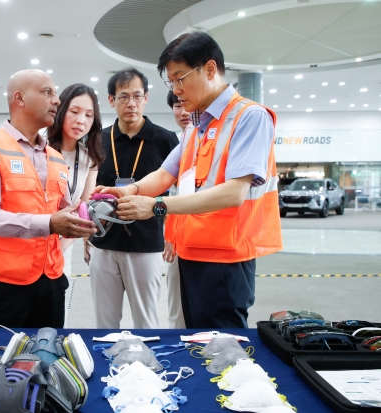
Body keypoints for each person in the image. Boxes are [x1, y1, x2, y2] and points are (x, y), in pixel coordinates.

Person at [101, 32, 282, 329]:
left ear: (210, 70)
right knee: (194, 343)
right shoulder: (194, 129)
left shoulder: (249, 117)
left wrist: (156, 207)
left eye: (180, 79)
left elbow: (235, 192)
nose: (176, 90)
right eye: (171, 82)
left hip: (226, 260)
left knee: (222, 350)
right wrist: (126, 191)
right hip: (190, 254)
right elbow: (164, 174)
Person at [0, 69, 97, 328]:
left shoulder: (54, 157)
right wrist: (49, 223)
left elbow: (64, 211)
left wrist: (95, 210)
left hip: (51, 282)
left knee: (48, 358)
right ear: (19, 99)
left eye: (56, 93)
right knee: (3, 362)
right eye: (47, 92)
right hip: (3, 286)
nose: (57, 101)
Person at [89, 68, 179, 329]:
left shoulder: (165, 139)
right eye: (124, 97)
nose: (131, 103)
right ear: (111, 100)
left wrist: (170, 235)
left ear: (146, 98)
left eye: (137, 96)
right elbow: (88, 192)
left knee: (146, 321)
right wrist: (87, 235)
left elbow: (178, 192)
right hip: (103, 244)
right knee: (105, 323)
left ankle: (146, 369)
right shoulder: (98, 140)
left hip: (147, 244)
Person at [46, 83, 105, 276]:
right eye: (74, 111)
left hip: (63, 245)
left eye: (88, 115)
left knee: (58, 302)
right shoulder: (39, 149)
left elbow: (84, 209)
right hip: (33, 239)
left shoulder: (89, 158)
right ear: (61, 111)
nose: (81, 121)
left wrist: (63, 246)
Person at [163, 91, 190, 329]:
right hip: (178, 239)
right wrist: (170, 236)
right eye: (177, 105)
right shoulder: (181, 142)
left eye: (187, 104)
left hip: (211, 242)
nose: (183, 112)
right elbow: (173, 196)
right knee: (177, 309)